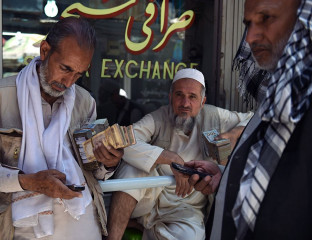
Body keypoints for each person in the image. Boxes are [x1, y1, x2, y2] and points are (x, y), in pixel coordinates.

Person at [0, 17, 123, 240]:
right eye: (65, 68)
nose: (68, 82)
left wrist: (107, 163)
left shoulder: (84, 102)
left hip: (80, 219)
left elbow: (92, 169)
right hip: (17, 225)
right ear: (45, 51)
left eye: (78, 74)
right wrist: (28, 182)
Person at [107, 68, 254, 240]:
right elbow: (124, 141)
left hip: (186, 207)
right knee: (132, 170)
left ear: (202, 101)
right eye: (179, 95)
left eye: (192, 97)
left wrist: (232, 134)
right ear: (170, 98)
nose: (185, 103)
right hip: (151, 200)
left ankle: (142, 227)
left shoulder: (215, 117)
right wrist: (172, 159)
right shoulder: (158, 117)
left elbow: (255, 119)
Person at [207, 0, 312, 239]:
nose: (251, 38)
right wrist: (229, 176)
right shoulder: (278, 100)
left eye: (266, 18)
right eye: (248, 24)